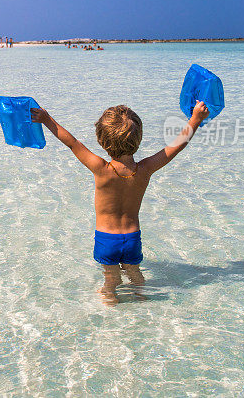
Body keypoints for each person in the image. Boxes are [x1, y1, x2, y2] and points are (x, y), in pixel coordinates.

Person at [30, 101, 210, 304]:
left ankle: (110, 297)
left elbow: (72, 143)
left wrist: (46, 119)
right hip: (132, 238)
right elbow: (176, 146)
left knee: (111, 277)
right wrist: (195, 119)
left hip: (107, 239)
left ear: (101, 140)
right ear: (139, 139)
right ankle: (140, 295)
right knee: (135, 273)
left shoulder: (101, 168)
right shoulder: (145, 169)